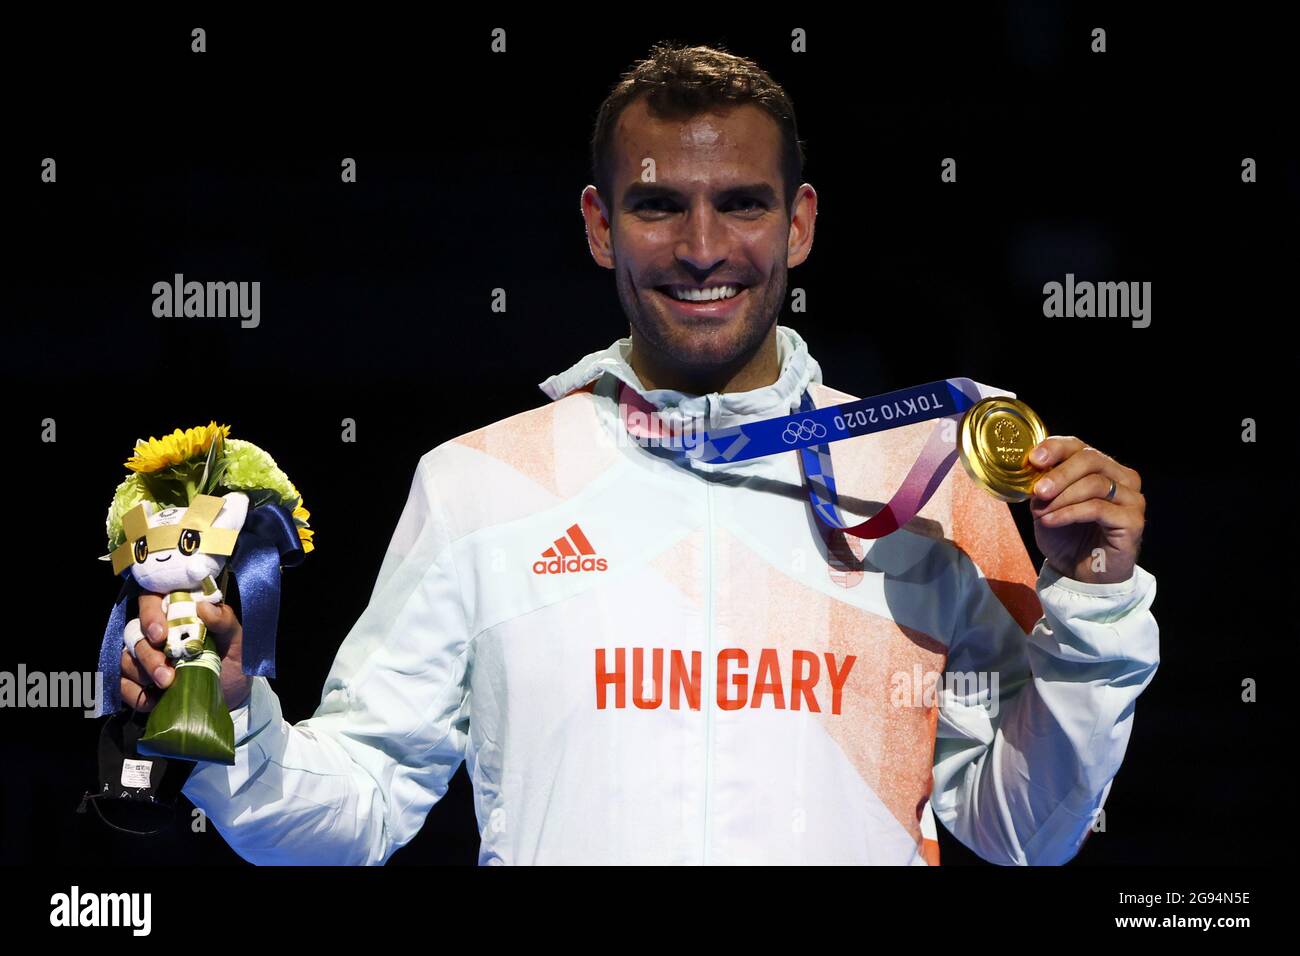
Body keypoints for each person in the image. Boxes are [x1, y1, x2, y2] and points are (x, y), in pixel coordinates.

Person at [118, 42, 1158, 865]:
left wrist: (1097, 604)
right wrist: (232, 713)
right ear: (599, 226)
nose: (702, 247)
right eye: (658, 204)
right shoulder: (479, 482)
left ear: (797, 222)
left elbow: (1024, 831)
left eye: (741, 202)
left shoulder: (925, 481)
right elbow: (358, 807)